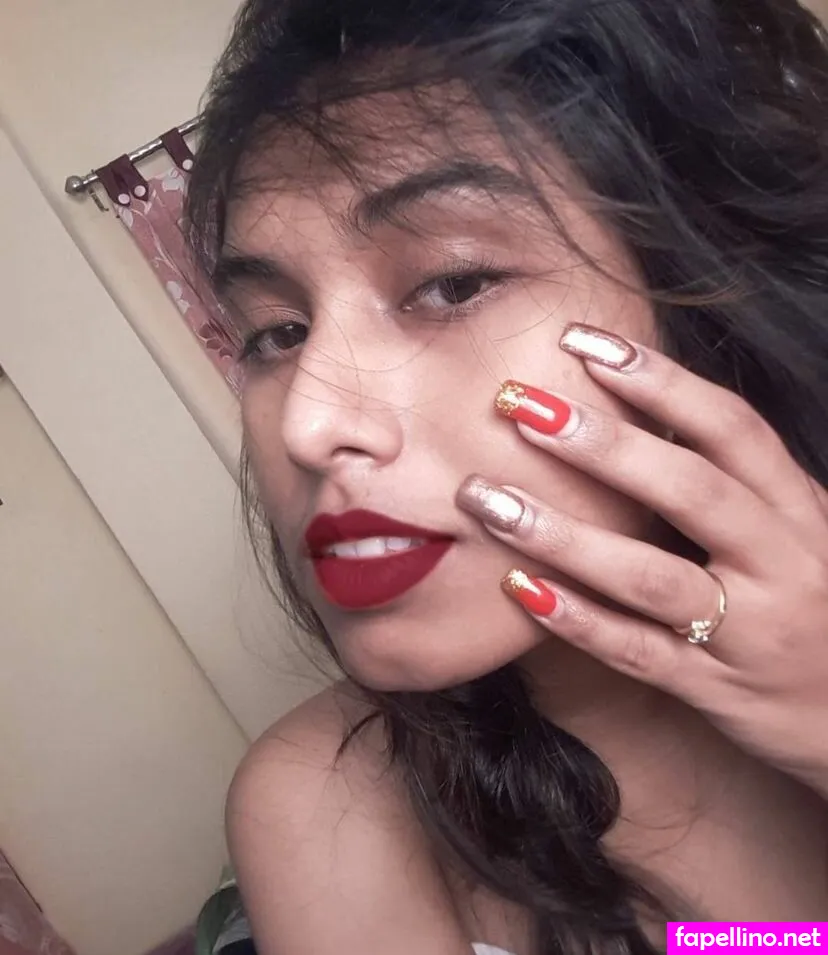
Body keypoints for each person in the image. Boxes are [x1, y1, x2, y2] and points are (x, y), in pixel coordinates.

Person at [185, 0, 828, 951]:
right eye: (277, 333)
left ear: (713, 309)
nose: (308, 425)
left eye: (453, 283)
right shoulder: (328, 804)